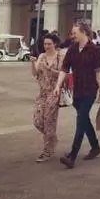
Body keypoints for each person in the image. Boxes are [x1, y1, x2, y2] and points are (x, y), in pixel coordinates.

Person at [54, 22, 100, 168]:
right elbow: (64, 69)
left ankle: (72, 155)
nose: (72, 35)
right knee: (84, 119)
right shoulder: (72, 49)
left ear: (84, 32)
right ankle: (95, 147)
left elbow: (98, 73)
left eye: (74, 33)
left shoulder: (94, 50)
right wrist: (58, 85)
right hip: (77, 90)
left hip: (90, 89)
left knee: (80, 120)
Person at [30, 33, 63, 161]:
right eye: (45, 44)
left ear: (55, 44)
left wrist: (50, 70)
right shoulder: (42, 56)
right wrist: (33, 63)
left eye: (49, 44)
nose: (47, 46)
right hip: (42, 92)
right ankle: (52, 138)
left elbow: (63, 73)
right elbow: (35, 73)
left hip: (54, 92)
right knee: (38, 121)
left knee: (49, 120)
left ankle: (47, 150)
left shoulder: (60, 56)